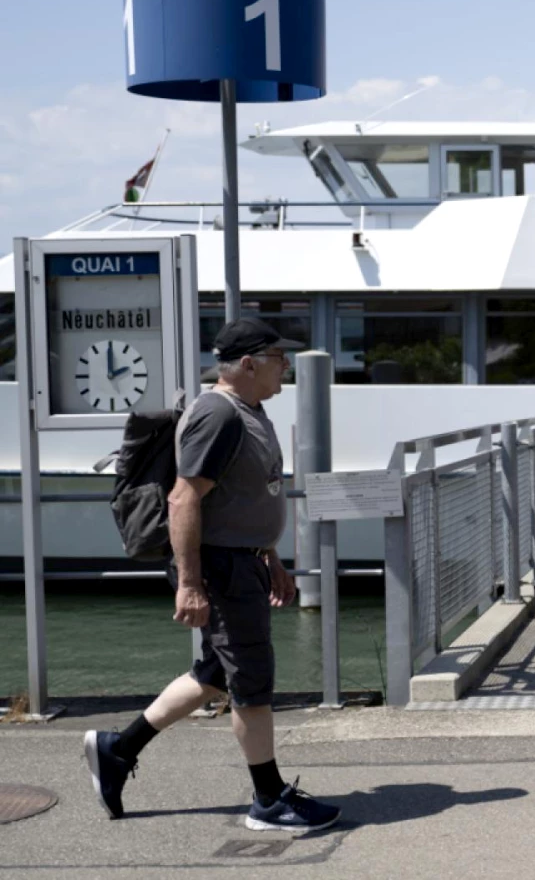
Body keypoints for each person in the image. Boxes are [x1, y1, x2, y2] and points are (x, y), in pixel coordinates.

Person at [82, 318, 341, 831]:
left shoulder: (251, 412)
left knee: (219, 673)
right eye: (277, 356)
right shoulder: (219, 416)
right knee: (252, 681)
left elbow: (248, 494)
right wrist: (190, 583)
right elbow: (183, 498)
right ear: (248, 363)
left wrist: (270, 556)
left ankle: (118, 748)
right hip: (221, 568)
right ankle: (268, 800)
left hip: (244, 561)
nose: (285, 364)